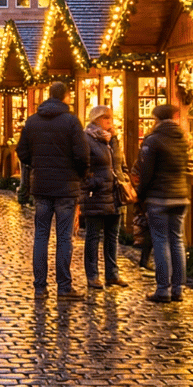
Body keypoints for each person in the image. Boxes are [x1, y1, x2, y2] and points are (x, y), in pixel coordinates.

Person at [16, 82, 90, 300]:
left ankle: (40, 287)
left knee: (41, 236)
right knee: (64, 238)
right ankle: (64, 287)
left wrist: (36, 164)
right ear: (66, 96)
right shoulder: (71, 121)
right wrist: (79, 174)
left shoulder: (33, 121)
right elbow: (82, 155)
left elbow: (22, 151)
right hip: (66, 187)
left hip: (42, 185)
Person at [135, 102, 190, 302]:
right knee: (177, 241)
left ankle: (163, 289)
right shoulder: (182, 138)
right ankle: (178, 288)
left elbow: (146, 172)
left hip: (159, 197)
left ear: (157, 119)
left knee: (161, 241)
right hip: (181, 195)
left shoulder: (154, 140)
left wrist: (140, 195)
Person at [81, 106, 129, 289]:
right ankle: (92, 275)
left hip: (115, 194)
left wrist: (123, 178)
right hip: (97, 194)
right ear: (96, 120)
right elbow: (82, 165)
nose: (110, 120)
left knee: (112, 235)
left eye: (111, 117)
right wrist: (93, 182)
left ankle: (112, 274)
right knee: (93, 236)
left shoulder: (114, 139)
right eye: (106, 117)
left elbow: (120, 162)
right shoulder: (87, 138)